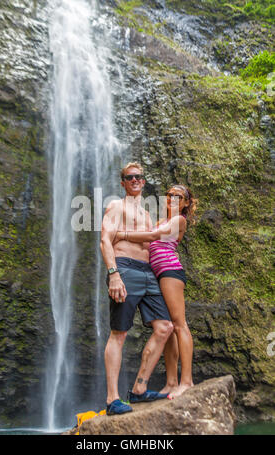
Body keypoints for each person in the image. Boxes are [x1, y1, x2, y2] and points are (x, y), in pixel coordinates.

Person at [100, 162, 174, 415]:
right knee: (119, 333)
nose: (134, 180)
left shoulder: (146, 215)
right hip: (125, 269)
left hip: (148, 272)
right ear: (122, 182)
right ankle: (112, 400)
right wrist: (114, 275)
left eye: (138, 177)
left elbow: (156, 240)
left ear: (143, 181)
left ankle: (139, 389)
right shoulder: (115, 206)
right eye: (129, 177)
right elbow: (105, 241)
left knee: (165, 327)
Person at [114, 184, 198, 399]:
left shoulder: (179, 220)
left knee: (180, 325)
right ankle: (171, 382)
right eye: (169, 195)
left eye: (178, 196)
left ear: (186, 203)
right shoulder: (161, 220)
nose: (172, 198)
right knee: (168, 328)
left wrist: (121, 233)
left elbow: (153, 236)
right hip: (158, 275)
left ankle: (186, 381)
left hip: (170, 272)